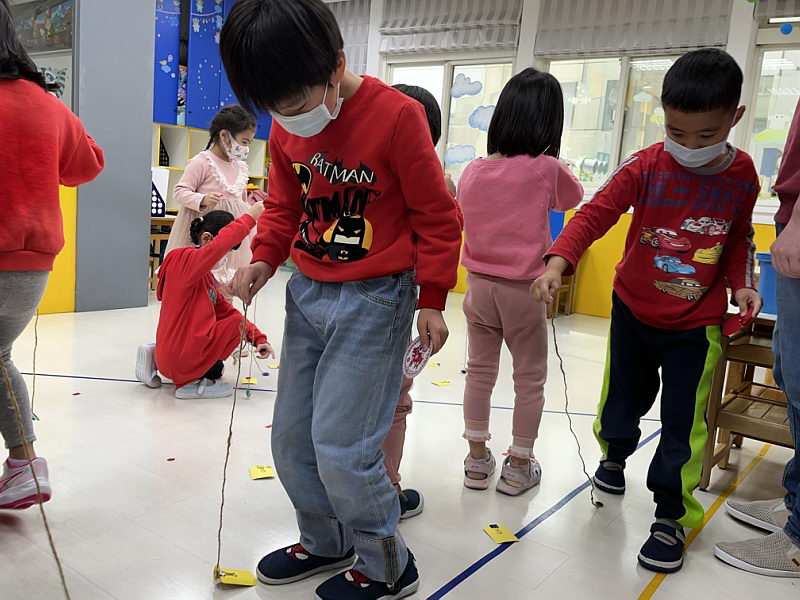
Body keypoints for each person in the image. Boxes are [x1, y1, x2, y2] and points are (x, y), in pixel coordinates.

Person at [220, 1, 462, 598]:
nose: (289, 119)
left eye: (297, 104)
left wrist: (433, 297)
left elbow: (437, 215)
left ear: (335, 66)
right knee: (291, 440)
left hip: (376, 300)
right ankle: (326, 541)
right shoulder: (287, 128)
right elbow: (285, 205)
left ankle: (387, 565)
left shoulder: (398, 117)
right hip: (307, 294)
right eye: (275, 109)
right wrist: (263, 258)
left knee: (343, 447)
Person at [531, 48, 762, 573]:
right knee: (622, 398)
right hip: (634, 309)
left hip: (697, 322)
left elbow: (738, 238)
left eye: (705, 135)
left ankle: (670, 516)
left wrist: (743, 286)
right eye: (677, 132)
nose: (690, 146)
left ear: (735, 117)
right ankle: (614, 456)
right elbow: (595, 212)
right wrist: (557, 262)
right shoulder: (646, 164)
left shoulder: (743, 175)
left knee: (685, 421)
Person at [0, 0, 104, 509]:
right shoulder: (48, 106)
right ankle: (24, 464)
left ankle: (25, 464)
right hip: (32, 266)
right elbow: (88, 163)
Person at [460, 68, 583, 496]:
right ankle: (517, 466)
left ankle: (477, 461)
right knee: (529, 378)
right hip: (524, 289)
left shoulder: (473, 170)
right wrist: (560, 165)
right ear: (549, 122)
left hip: (477, 286)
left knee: (479, 372)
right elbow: (573, 198)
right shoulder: (545, 168)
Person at [714, 101, 800, 577]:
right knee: (789, 369)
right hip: (791, 214)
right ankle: (795, 502)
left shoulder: (741, 168)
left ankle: (799, 537)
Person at [382, 83, 458, 519]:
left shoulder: (373, 172)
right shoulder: (428, 182)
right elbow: (443, 233)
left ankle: (358, 489)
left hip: (386, 301)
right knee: (394, 400)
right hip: (394, 302)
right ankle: (386, 490)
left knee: (374, 399)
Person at [138, 206, 274, 400]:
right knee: (225, 348)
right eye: (226, 252)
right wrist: (251, 217)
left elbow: (227, 311)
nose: (224, 257)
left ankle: (157, 355)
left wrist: (259, 339)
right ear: (206, 239)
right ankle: (189, 382)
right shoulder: (184, 260)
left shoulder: (203, 277)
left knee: (219, 362)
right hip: (180, 361)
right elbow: (218, 246)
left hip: (171, 353)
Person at [164, 105, 256, 285]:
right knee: (202, 281)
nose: (245, 148)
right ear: (224, 135)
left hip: (231, 238)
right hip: (206, 235)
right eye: (244, 142)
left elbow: (241, 201)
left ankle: (223, 304)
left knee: (227, 283)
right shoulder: (202, 162)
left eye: (249, 143)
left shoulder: (241, 168)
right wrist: (202, 199)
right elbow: (180, 191)